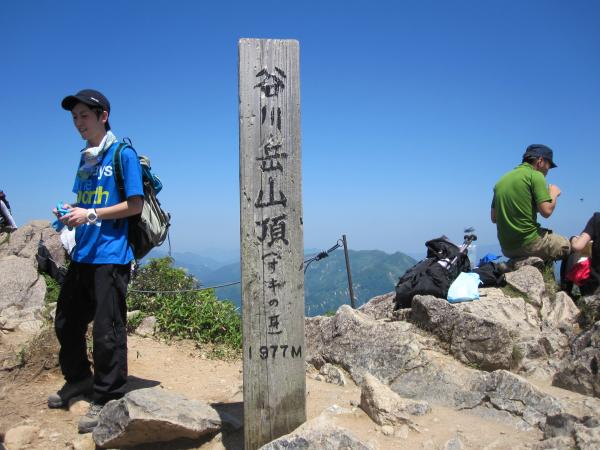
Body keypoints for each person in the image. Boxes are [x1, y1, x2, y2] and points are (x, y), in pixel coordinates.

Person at [49, 89, 143, 434]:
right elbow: (85, 201)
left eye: (84, 116)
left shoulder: (122, 154)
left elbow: (134, 205)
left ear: (103, 116)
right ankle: (78, 378)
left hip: (111, 255)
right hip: (84, 253)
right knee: (66, 321)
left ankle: (109, 396)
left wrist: (90, 214)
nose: (78, 123)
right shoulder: (86, 158)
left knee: (107, 331)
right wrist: (70, 212)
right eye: (74, 117)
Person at [491, 144, 570, 261]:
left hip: (507, 248)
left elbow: (494, 218)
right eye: (549, 166)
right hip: (530, 243)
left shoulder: (501, 181)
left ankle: (518, 263)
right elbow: (546, 211)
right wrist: (553, 193)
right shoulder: (536, 175)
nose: (548, 171)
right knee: (569, 245)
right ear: (540, 161)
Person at [569, 213, 600, 295]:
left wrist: (573, 238)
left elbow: (577, 246)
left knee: (572, 254)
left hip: (594, 286)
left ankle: (570, 292)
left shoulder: (597, 219)